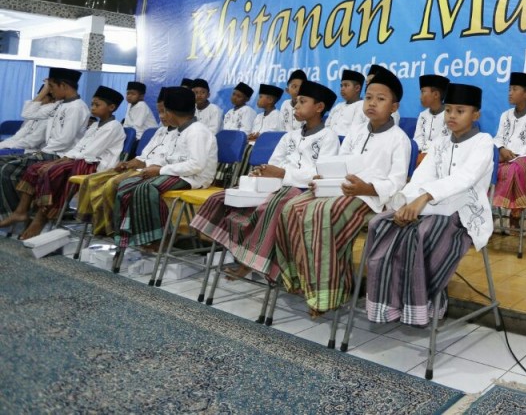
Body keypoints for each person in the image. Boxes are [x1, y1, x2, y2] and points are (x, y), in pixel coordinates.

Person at [278, 67, 411, 316]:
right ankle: (302, 279)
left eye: (381, 99)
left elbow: (396, 182)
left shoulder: (399, 139)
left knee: (322, 214)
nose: (372, 103)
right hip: (341, 188)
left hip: (370, 197)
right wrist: (324, 175)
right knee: (291, 208)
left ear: (394, 107)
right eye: (369, 97)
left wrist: (366, 188)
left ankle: (330, 292)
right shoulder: (356, 131)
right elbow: (339, 162)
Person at [364, 83, 493, 326]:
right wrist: (404, 204)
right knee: (380, 225)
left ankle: (424, 303)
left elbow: (465, 179)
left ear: (475, 115)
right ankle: (390, 302)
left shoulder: (483, 142)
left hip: (464, 213)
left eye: (460, 111)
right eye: (448, 110)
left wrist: (423, 198)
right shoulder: (440, 143)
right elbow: (422, 176)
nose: (452, 116)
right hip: (432, 208)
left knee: (420, 234)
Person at [190, 79, 340, 281]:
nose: (296, 105)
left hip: (303, 190)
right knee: (226, 196)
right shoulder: (290, 136)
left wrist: (281, 174)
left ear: (319, 107)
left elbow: (319, 174)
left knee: (270, 206)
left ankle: (252, 262)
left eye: (302, 101)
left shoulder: (328, 136)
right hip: (277, 184)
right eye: (296, 101)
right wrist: (265, 172)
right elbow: (275, 162)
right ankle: (240, 251)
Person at [8, 86, 126, 240]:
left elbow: (91, 152)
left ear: (112, 107)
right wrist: (62, 159)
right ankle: (21, 212)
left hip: (95, 165)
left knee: (54, 171)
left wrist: (59, 162)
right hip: (80, 159)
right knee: (35, 168)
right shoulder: (95, 125)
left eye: (97, 105)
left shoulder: (114, 127)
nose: (93, 108)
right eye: (92, 104)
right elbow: (79, 147)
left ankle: (42, 217)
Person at [111, 86, 218, 250]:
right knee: (126, 185)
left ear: (171, 113)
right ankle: (132, 233)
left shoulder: (197, 131)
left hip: (194, 177)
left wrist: (159, 170)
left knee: (147, 187)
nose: (163, 116)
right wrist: (155, 168)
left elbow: (196, 165)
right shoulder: (181, 130)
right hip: (176, 173)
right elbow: (172, 159)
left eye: (164, 112)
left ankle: (161, 237)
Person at [77, 88, 178, 236]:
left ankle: (113, 228)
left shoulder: (182, 133)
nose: (161, 117)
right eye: (160, 112)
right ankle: (95, 223)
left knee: (113, 184)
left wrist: (142, 164)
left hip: (156, 172)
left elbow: (163, 161)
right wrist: (129, 163)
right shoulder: (160, 131)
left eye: (164, 112)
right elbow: (144, 156)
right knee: (93, 180)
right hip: (141, 168)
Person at [0, 69, 90, 218]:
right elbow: (28, 113)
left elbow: (64, 140)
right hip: (48, 152)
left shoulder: (77, 108)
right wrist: (44, 91)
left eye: (52, 88)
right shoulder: (59, 105)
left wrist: (40, 153)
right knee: (2, 163)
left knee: (7, 170)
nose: (50, 92)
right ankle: (14, 212)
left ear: (63, 86)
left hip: (59, 156)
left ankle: (15, 213)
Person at [491, 72, 526, 231]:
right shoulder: (505, 115)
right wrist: (502, 149)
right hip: (505, 157)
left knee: (515, 168)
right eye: (509, 89)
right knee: (484, 167)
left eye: (514, 89)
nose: (509, 92)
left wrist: (515, 154)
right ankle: (485, 211)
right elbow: (498, 138)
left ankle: (515, 212)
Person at [0, 85, 57, 153]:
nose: (38, 99)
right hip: (19, 146)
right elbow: (18, 136)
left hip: (33, 151)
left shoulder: (51, 114)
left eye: (42, 96)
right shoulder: (37, 112)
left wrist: (8, 146)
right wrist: (3, 145)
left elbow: (32, 141)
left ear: (52, 98)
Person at [412, 74, 449, 166]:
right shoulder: (423, 115)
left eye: (423, 92)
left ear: (436, 94)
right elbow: (418, 138)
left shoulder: (449, 115)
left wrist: (427, 155)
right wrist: (420, 154)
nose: (420, 97)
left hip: (441, 159)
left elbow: (445, 142)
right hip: (421, 157)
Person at [326, 69, 367, 137]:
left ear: (357, 88)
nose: (342, 88)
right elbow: (327, 126)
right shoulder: (337, 106)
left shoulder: (362, 106)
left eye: (346, 85)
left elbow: (355, 132)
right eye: (341, 86)